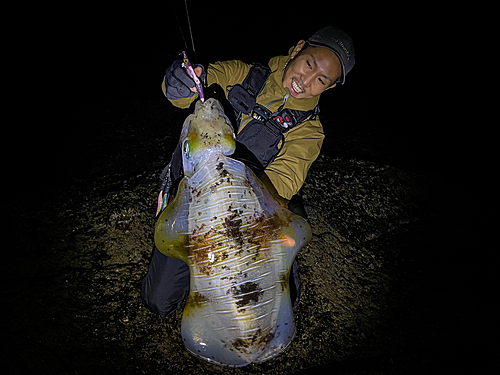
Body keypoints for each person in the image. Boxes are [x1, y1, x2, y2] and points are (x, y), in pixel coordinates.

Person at [141, 26, 355, 318]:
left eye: (321, 80)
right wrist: (179, 83)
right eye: (309, 64)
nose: (305, 82)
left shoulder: (310, 131)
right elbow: (189, 91)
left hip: (250, 214)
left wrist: (229, 174)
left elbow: (284, 181)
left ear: (329, 88)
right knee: (159, 302)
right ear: (298, 48)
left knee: (274, 306)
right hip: (195, 202)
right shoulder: (242, 74)